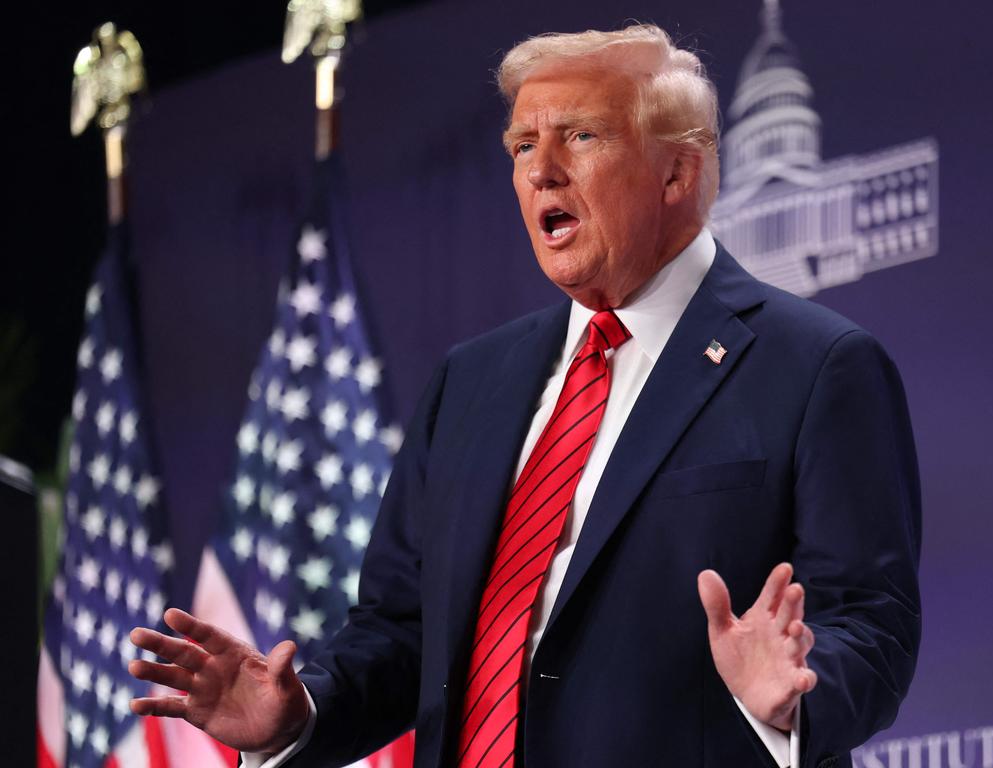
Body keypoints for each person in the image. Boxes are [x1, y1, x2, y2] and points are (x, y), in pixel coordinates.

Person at [129, 25, 921, 768]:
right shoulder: (471, 383)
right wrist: (300, 709)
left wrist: (793, 691)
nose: (540, 169)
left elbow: (871, 624)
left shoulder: (816, 367)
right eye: (521, 144)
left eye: (580, 136)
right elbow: (403, 630)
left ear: (677, 172)